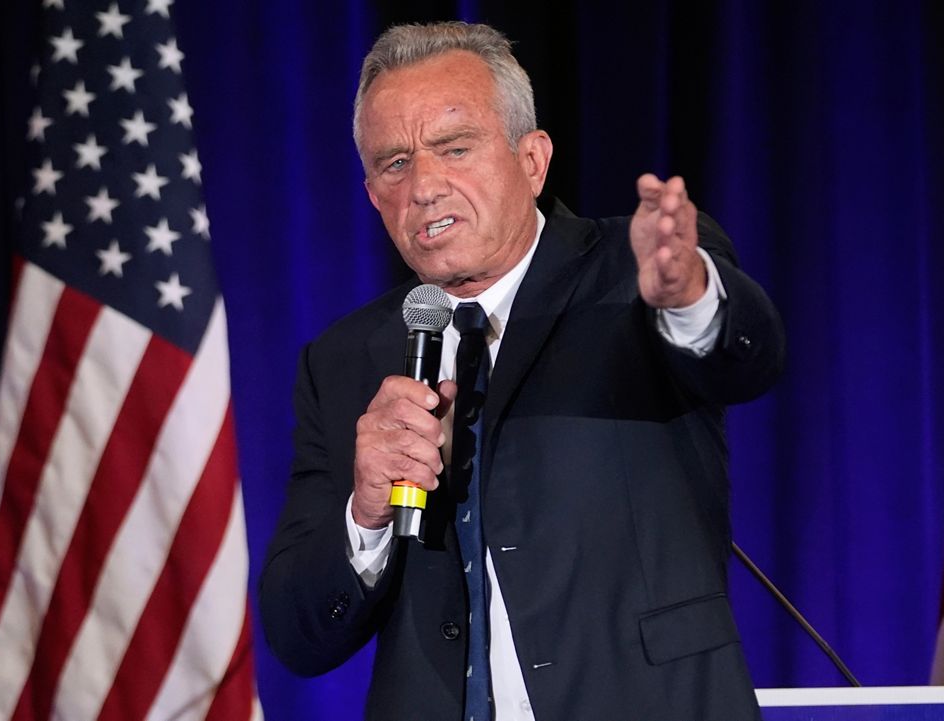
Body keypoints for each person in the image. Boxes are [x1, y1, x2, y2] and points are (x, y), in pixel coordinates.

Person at [260, 21, 785, 721]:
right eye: (395, 163)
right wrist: (366, 513)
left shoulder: (628, 277)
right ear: (372, 195)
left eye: (454, 147)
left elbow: (746, 359)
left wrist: (688, 294)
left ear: (532, 160)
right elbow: (298, 632)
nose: (423, 185)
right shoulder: (343, 359)